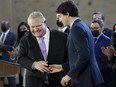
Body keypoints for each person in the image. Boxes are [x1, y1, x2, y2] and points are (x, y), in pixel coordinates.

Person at [56, 1, 104, 87]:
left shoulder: (76, 28)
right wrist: (62, 67)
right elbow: (77, 56)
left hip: (85, 79)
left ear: (67, 14)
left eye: (60, 16)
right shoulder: (81, 25)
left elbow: (84, 55)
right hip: (89, 77)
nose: (59, 19)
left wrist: (70, 75)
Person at [17, 11, 69, 87]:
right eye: (32, 27)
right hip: (34, 83)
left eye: (38, 26)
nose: (35, 29)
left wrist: (62, 67)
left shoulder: (62, 37)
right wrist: (34, 64)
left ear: (45, 22)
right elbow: (20, 58)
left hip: (58, 82)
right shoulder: (25, 41)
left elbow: (70, 58)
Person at [90, 20, 111, 87]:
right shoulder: (90, 40)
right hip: (92, 74)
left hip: (102, 73)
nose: (93, 30)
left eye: (96, 28)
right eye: (92, 28)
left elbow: (107, 57)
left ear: (102, 28)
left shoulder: (107, 40)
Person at [0, 21, 16, 87]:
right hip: (0, 60)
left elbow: (14, 47)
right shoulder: (0, 34)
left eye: (4, 25)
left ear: (8, 26)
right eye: (2, 25)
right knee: (0, 79)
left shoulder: (13, 35)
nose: (3, 26)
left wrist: (3, 46)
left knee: (11, 80)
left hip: (9, 60)